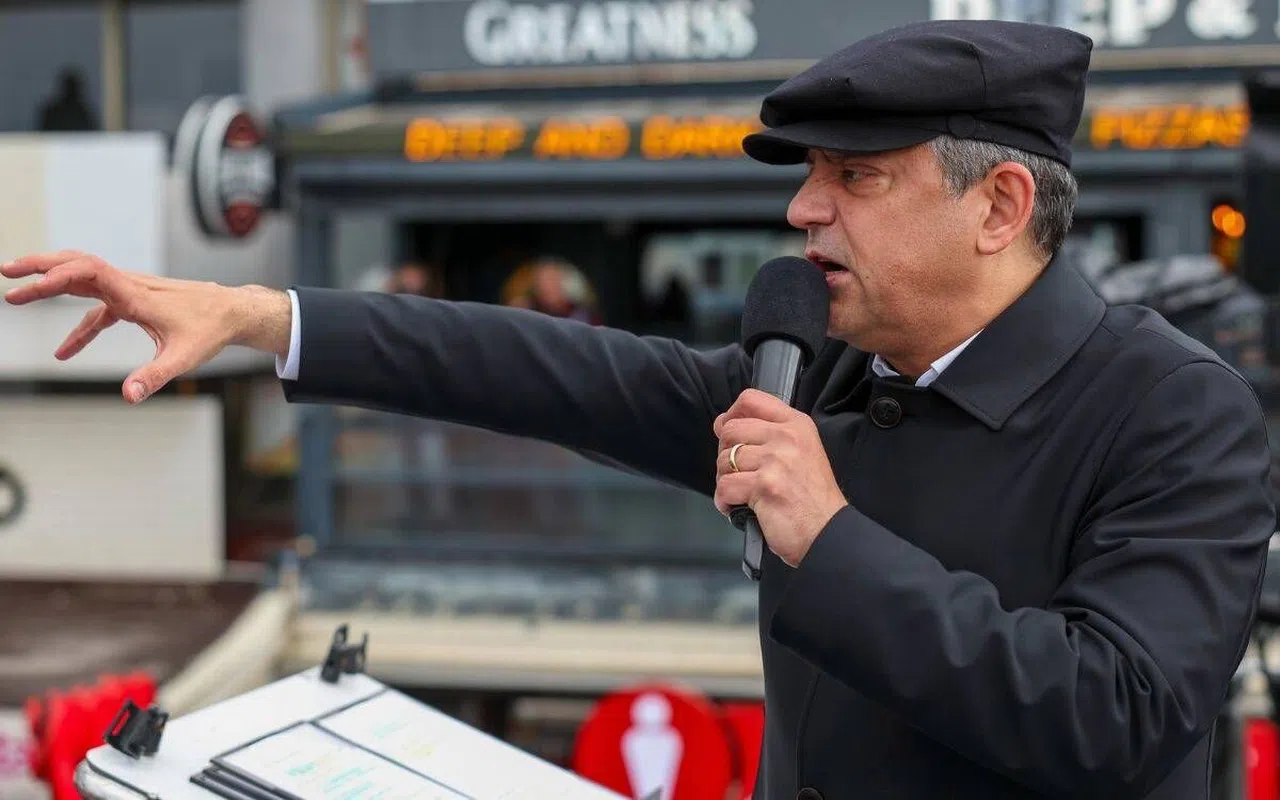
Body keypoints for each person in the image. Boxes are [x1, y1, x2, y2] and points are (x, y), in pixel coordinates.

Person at [2, 19, 1274, 799]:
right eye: (810, 175)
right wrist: (261, 314)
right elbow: (538, 368)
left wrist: (828, 536)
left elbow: (1114, 719)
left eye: (853, 177)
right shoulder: (817, 374)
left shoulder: (1174, 413)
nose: (802, 210)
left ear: (997, 206)